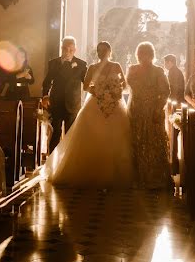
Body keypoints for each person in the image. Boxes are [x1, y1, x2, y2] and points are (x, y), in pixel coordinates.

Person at [44, 41, 132, 188]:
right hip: (96, 103)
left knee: (115, 135)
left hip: (115, 104)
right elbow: (86, 86)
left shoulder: (116, 66)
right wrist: (99, 93)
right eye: (99, 50)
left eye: (104, 50)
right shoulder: (92, 67)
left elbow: (125, 85)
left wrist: (114, 91)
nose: (101, 53)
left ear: (110, 51)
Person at [127, 41, 171, 190]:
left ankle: (155, 178)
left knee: (154, 143)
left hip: (153, 111)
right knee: (137, 142)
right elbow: (130, 86)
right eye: (140, 54)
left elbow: (165, 91)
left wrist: (158, 108)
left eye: (146, 54)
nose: (142, 57)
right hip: (136, 110)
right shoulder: (132, 69)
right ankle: (138, 177)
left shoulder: (158, 71)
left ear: (151, 55)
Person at [41, 36, 88, 154]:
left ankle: (66, 160)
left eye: (70, 49)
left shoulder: (82, 64)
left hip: (73, 104)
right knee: (55, 132)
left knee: (70, 135)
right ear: (61, 48)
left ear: (75, 50)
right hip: (56, 103)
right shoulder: (53, 63)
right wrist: (45, 96)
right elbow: (47, 82)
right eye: (65, 48)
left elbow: (86, 83)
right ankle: (51, 159)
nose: (67, 52)